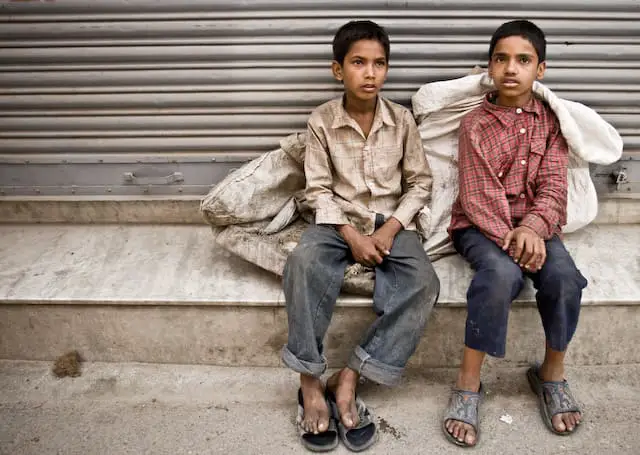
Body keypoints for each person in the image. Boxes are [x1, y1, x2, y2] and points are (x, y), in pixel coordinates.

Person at [281, 19, 440, 452]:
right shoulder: (322, 122)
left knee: (424, 283)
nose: (370, 73)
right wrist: (351, 235)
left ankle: (349, 376)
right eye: (358, 63)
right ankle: (310, 382)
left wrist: (389, 229)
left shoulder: (402, 120)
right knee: (302, 262)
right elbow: (317, 190)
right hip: (338, 223)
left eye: (379, 64)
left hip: (392, 221)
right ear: (338, 70)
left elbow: (420, 184)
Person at [442, 20, 587, 447]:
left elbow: (555, 187)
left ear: (539, 69)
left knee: (563, 279)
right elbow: (478, 193)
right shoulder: (476, 125)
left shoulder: (550, 122)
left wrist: (534, 229)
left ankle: (550, 375)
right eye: (501, 59)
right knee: (500, 278)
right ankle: (468, 383)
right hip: (481, 227)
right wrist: (515, 238)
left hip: (537, 228)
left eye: (523, 60)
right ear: (489, 68)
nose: (511, 68)